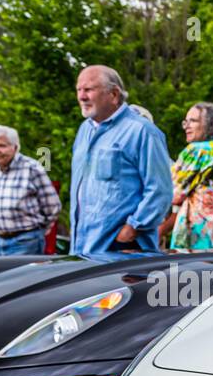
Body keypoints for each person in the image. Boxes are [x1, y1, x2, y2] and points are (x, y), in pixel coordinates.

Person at [69, 65, 172, 255]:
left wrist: (133, 228)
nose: (82, 97)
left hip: (119, 251)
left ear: (114, 94)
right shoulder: (84, 130)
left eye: (89, 89)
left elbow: (160, 190)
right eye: (79, 90)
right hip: (82, 248)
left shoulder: (142, 131)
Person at [164, 102, 213, 250]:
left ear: (210, 125)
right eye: (185, 121)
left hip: (197, 243)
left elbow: (172, 194)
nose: (186, 126)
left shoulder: (199, 150)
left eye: (193, 121)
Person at [0, 125, 61, 255]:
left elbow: (53, 207)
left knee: (23, 276)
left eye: (1, 145)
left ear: (15, 147)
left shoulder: (32, 168)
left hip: (25, 241)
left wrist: (39, 231)